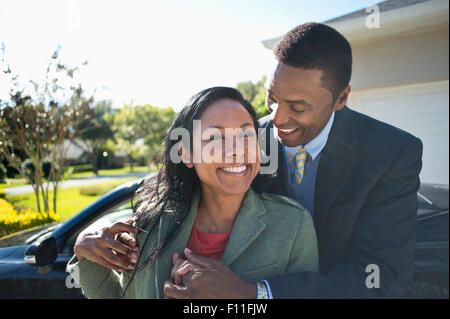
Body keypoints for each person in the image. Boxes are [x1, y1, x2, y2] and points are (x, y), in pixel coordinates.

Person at [72, 22, 423, 299]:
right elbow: (174, 188)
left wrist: (253, 295)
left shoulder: (390, 154)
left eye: (297, 107)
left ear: (341, 98)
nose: (277, 120)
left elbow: (380, 277)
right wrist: (91, 235)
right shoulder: (252, 137)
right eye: (271, 99)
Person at [67, 87, 318, 298]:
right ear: (185, 153)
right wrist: (84, 251)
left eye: (245, 134)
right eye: (214, 137)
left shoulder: (292, 225)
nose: (236, 150)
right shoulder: (149, 224)